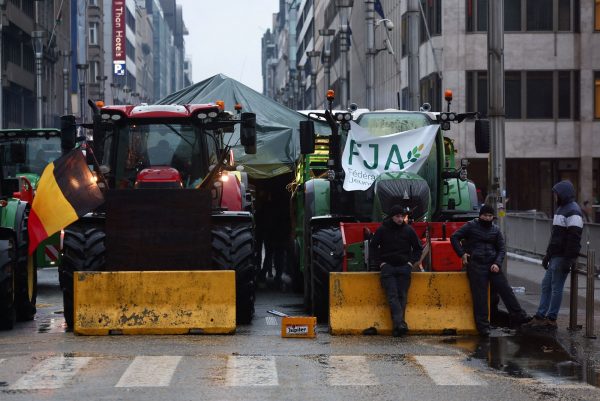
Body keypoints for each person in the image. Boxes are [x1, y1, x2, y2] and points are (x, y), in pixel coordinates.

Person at [451, 204, 530, 336]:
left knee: (506, 290)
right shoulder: (470, 226)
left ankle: (519, 316)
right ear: (480, 215)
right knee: (480, 297)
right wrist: (462, 254)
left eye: (490, 216)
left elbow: (502, 248)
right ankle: (483, 326)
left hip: (492, 265)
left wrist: (497, 263)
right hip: (476, 265)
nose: (488, 218)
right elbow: (454, 237)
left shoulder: (496, 230)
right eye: (485, 215)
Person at [523, 180, 583, 330]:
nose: (554, 196)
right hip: (556, 255)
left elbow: (574, 238)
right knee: (547, 285)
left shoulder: (573, 211)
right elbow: (555, 237)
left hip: (562, 256)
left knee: (556, 287)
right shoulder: (562, 209)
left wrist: (568, 259)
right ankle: (541, 315)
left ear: (563, 194)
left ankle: (551, 318)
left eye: (556, 193)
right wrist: (548, 255)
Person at [369, 205, 423, 337]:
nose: (400, 219)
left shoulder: (408, 230)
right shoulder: (382, 230)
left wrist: (411, 263)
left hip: (404, 267)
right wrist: (381, 263)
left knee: (402, 296)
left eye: (402, 216)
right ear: (391, 217)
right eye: (397, 216)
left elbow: (418, 248)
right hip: (388, 268)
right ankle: (400, 324)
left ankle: (398, 327)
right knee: (392, 296)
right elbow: (373, 247)